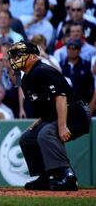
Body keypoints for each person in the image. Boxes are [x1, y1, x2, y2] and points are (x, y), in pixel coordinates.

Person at [7, 41, 91, 191]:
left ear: (33, 56)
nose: (15, 59)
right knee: (27, 139)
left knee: (46, 134)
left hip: (76, 114)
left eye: (19, 55)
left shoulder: (42, 71)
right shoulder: (26, 77)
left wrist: (62, 126)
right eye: (13, 56)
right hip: (57, 114)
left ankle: (67, 176)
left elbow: (61, 97)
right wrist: (40, 121)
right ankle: (46, 176)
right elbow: (47, 104)